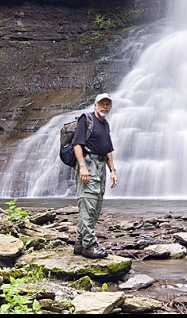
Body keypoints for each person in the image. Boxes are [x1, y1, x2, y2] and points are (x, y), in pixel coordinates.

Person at [72, 92, 117, 259]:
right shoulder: (86, 119)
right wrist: (82, 166)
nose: (105, 106)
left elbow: (108, 150)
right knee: (87, 204)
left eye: (108, 103)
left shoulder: (105, 124)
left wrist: (113, 171)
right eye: (102, 103)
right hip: (89, 165)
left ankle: (79, 243)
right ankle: (89, 245)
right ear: (95, 105)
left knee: (95, 206)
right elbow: (77, 144)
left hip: (101, 168)